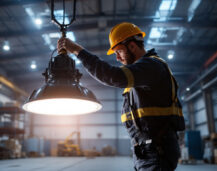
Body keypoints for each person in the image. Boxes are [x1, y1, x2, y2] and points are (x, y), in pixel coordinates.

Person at [57, 22, 185, 171]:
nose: (117, 58)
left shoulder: (152, 66)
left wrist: (77, 50)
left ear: (132, 46)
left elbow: (114, 76)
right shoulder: (142, 75)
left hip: (157, 150)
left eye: (119, 51)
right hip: (147, 150)